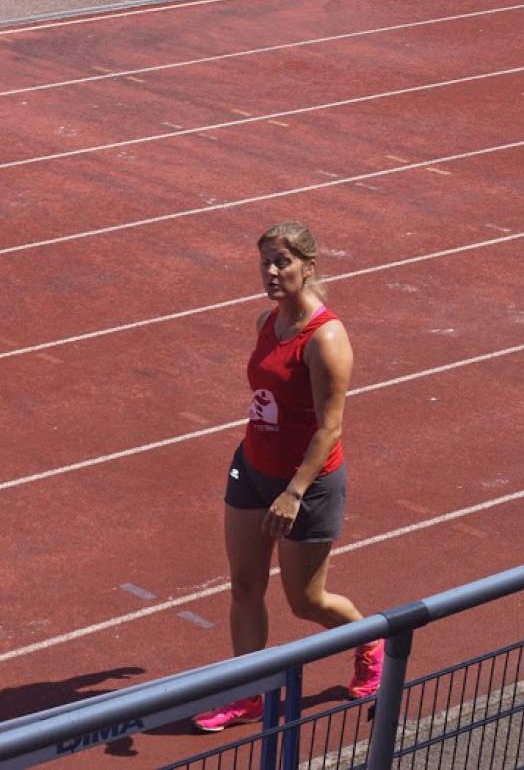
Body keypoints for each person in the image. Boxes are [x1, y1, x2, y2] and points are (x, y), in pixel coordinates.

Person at [193, 221, 383, 733]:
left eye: (283, 262)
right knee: (244, 585)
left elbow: (330, 426)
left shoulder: (326, 338)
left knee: (306, 601)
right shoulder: (266, 321)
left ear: (309, 267)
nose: (272, 272)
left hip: (307, 485)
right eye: (265, 263)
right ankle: (248, 694)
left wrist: (294, 492)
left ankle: (369, 640)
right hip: (252, 468)